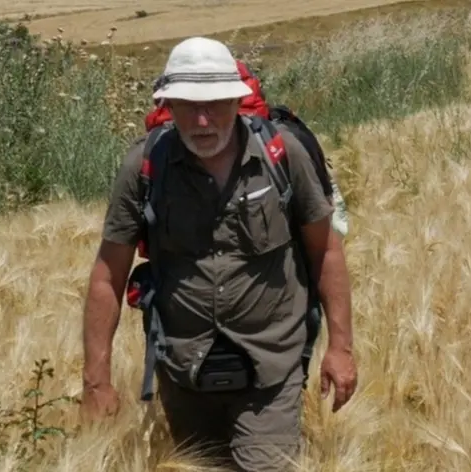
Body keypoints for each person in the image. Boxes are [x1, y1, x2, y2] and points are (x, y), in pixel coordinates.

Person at [80, 36, 357, 471]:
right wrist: (96, 380)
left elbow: (327, 253)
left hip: (272, 366)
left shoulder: (282, 155)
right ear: (168, 104)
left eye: (215, 104)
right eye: (188, 105)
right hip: (182, 369)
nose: (203, 119)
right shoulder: (144, 167)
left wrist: (341, 347)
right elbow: (107, 275)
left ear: (237, 99)